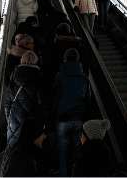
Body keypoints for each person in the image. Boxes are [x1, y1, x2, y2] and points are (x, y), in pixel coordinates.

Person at [52, 48, 89, 177]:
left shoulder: (59, 76)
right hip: (78, 118)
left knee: (62, 150)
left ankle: (63, 174)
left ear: (65, 59)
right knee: (77, 151)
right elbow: (87, 99)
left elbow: (55, 96)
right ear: (78, 60)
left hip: (62, 117)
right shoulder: (84, 78)